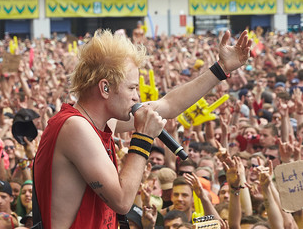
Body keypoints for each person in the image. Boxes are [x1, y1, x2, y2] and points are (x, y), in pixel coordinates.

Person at [33, 29, 251, 227]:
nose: (137, 97)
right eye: (131, 88)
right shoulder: (76, 127)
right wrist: (143, 137)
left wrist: (220, 69)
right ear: (105, 87)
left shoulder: (101, 121)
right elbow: (122, 201)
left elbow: (169, 105)